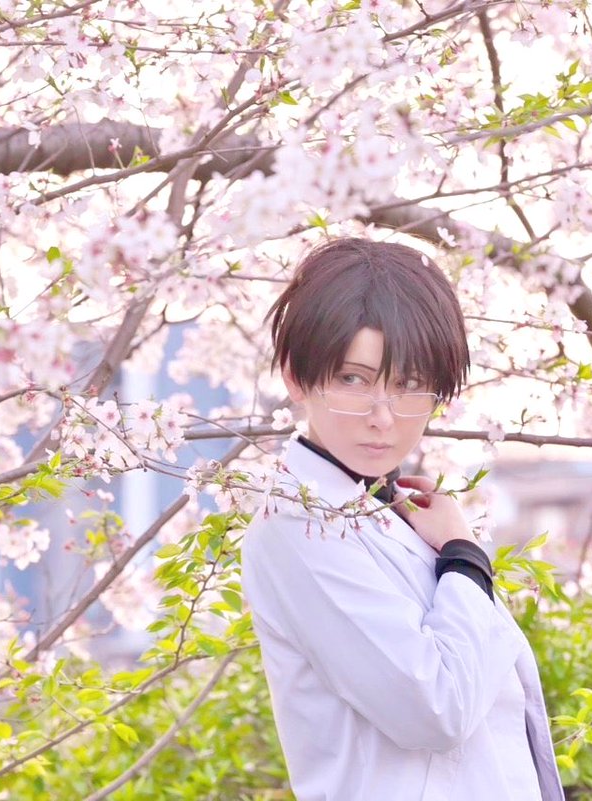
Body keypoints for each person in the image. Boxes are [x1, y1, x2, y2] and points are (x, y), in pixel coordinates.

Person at [241, 237, 564, 801]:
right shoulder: (298, 527)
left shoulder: (378, 512)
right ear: (296, 376)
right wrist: (465, 560)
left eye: (410, 385)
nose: (382, 417)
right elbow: (437, 709)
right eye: (353, 379)